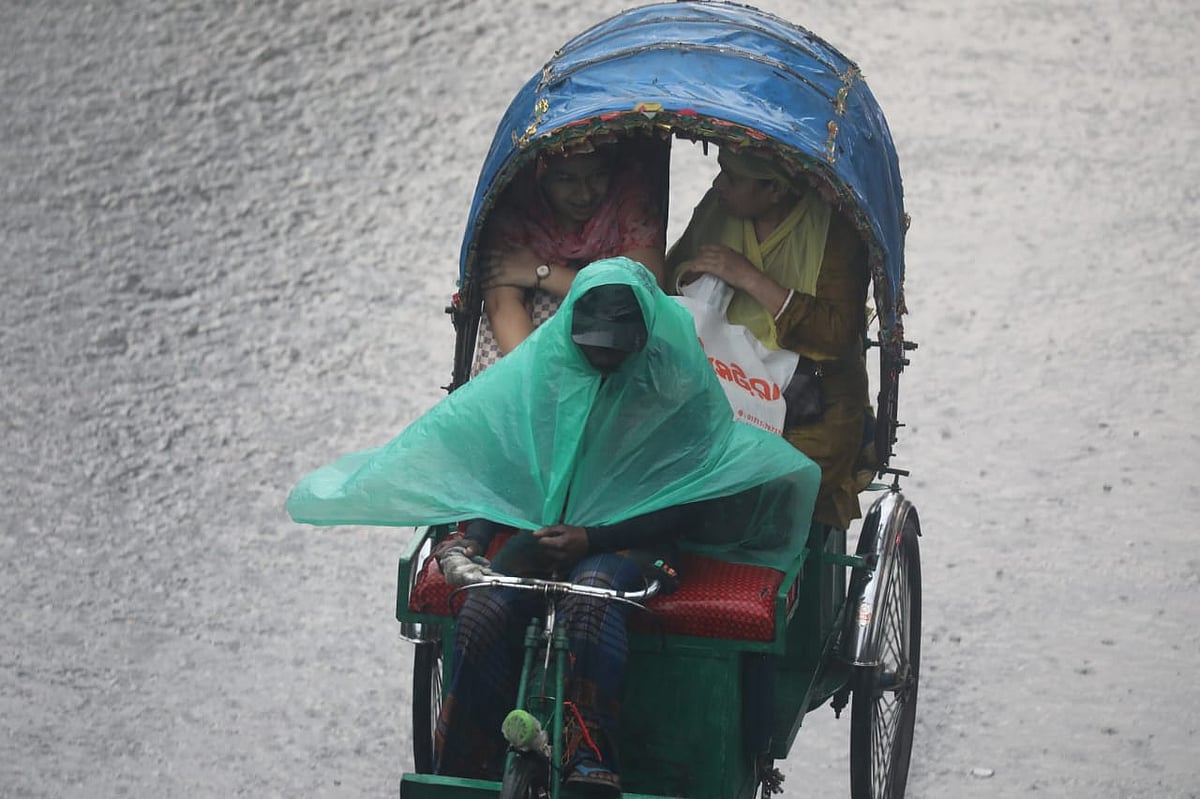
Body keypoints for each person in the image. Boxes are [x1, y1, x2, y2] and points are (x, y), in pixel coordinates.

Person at [286, 258, 820, 794]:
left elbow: (689, 501)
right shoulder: (546, 372)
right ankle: (465, 762)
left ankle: (590, 755)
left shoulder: (676, 383)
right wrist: (470, 540)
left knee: (590, 596)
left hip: (635, 545)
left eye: (618, 348)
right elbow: (505, 469)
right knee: (484, 608)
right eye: (593, 347)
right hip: (546, 534)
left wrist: (593, 538)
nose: (604, 359)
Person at [666, 146, 874, 530]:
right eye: (720, 171)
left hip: (813, 398)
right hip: (720, 377)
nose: (718, 184)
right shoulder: (719, 208)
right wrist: (693, 277)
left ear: (775, 190)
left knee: (768, 482)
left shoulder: (834, 231)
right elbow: (671, 279)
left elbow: (836, 335)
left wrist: (748, 278)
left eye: (732, 177)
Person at [471, 144, 666, 375]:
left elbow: (642, 297)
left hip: (618, 336)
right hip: (539, 346)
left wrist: (542, 272)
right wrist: (545, 384)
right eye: (565, 179)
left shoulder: (629, 199)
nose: (584, 194)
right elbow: (502, 307)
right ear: (541, 174)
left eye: (597, 175)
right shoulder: (516, 207)